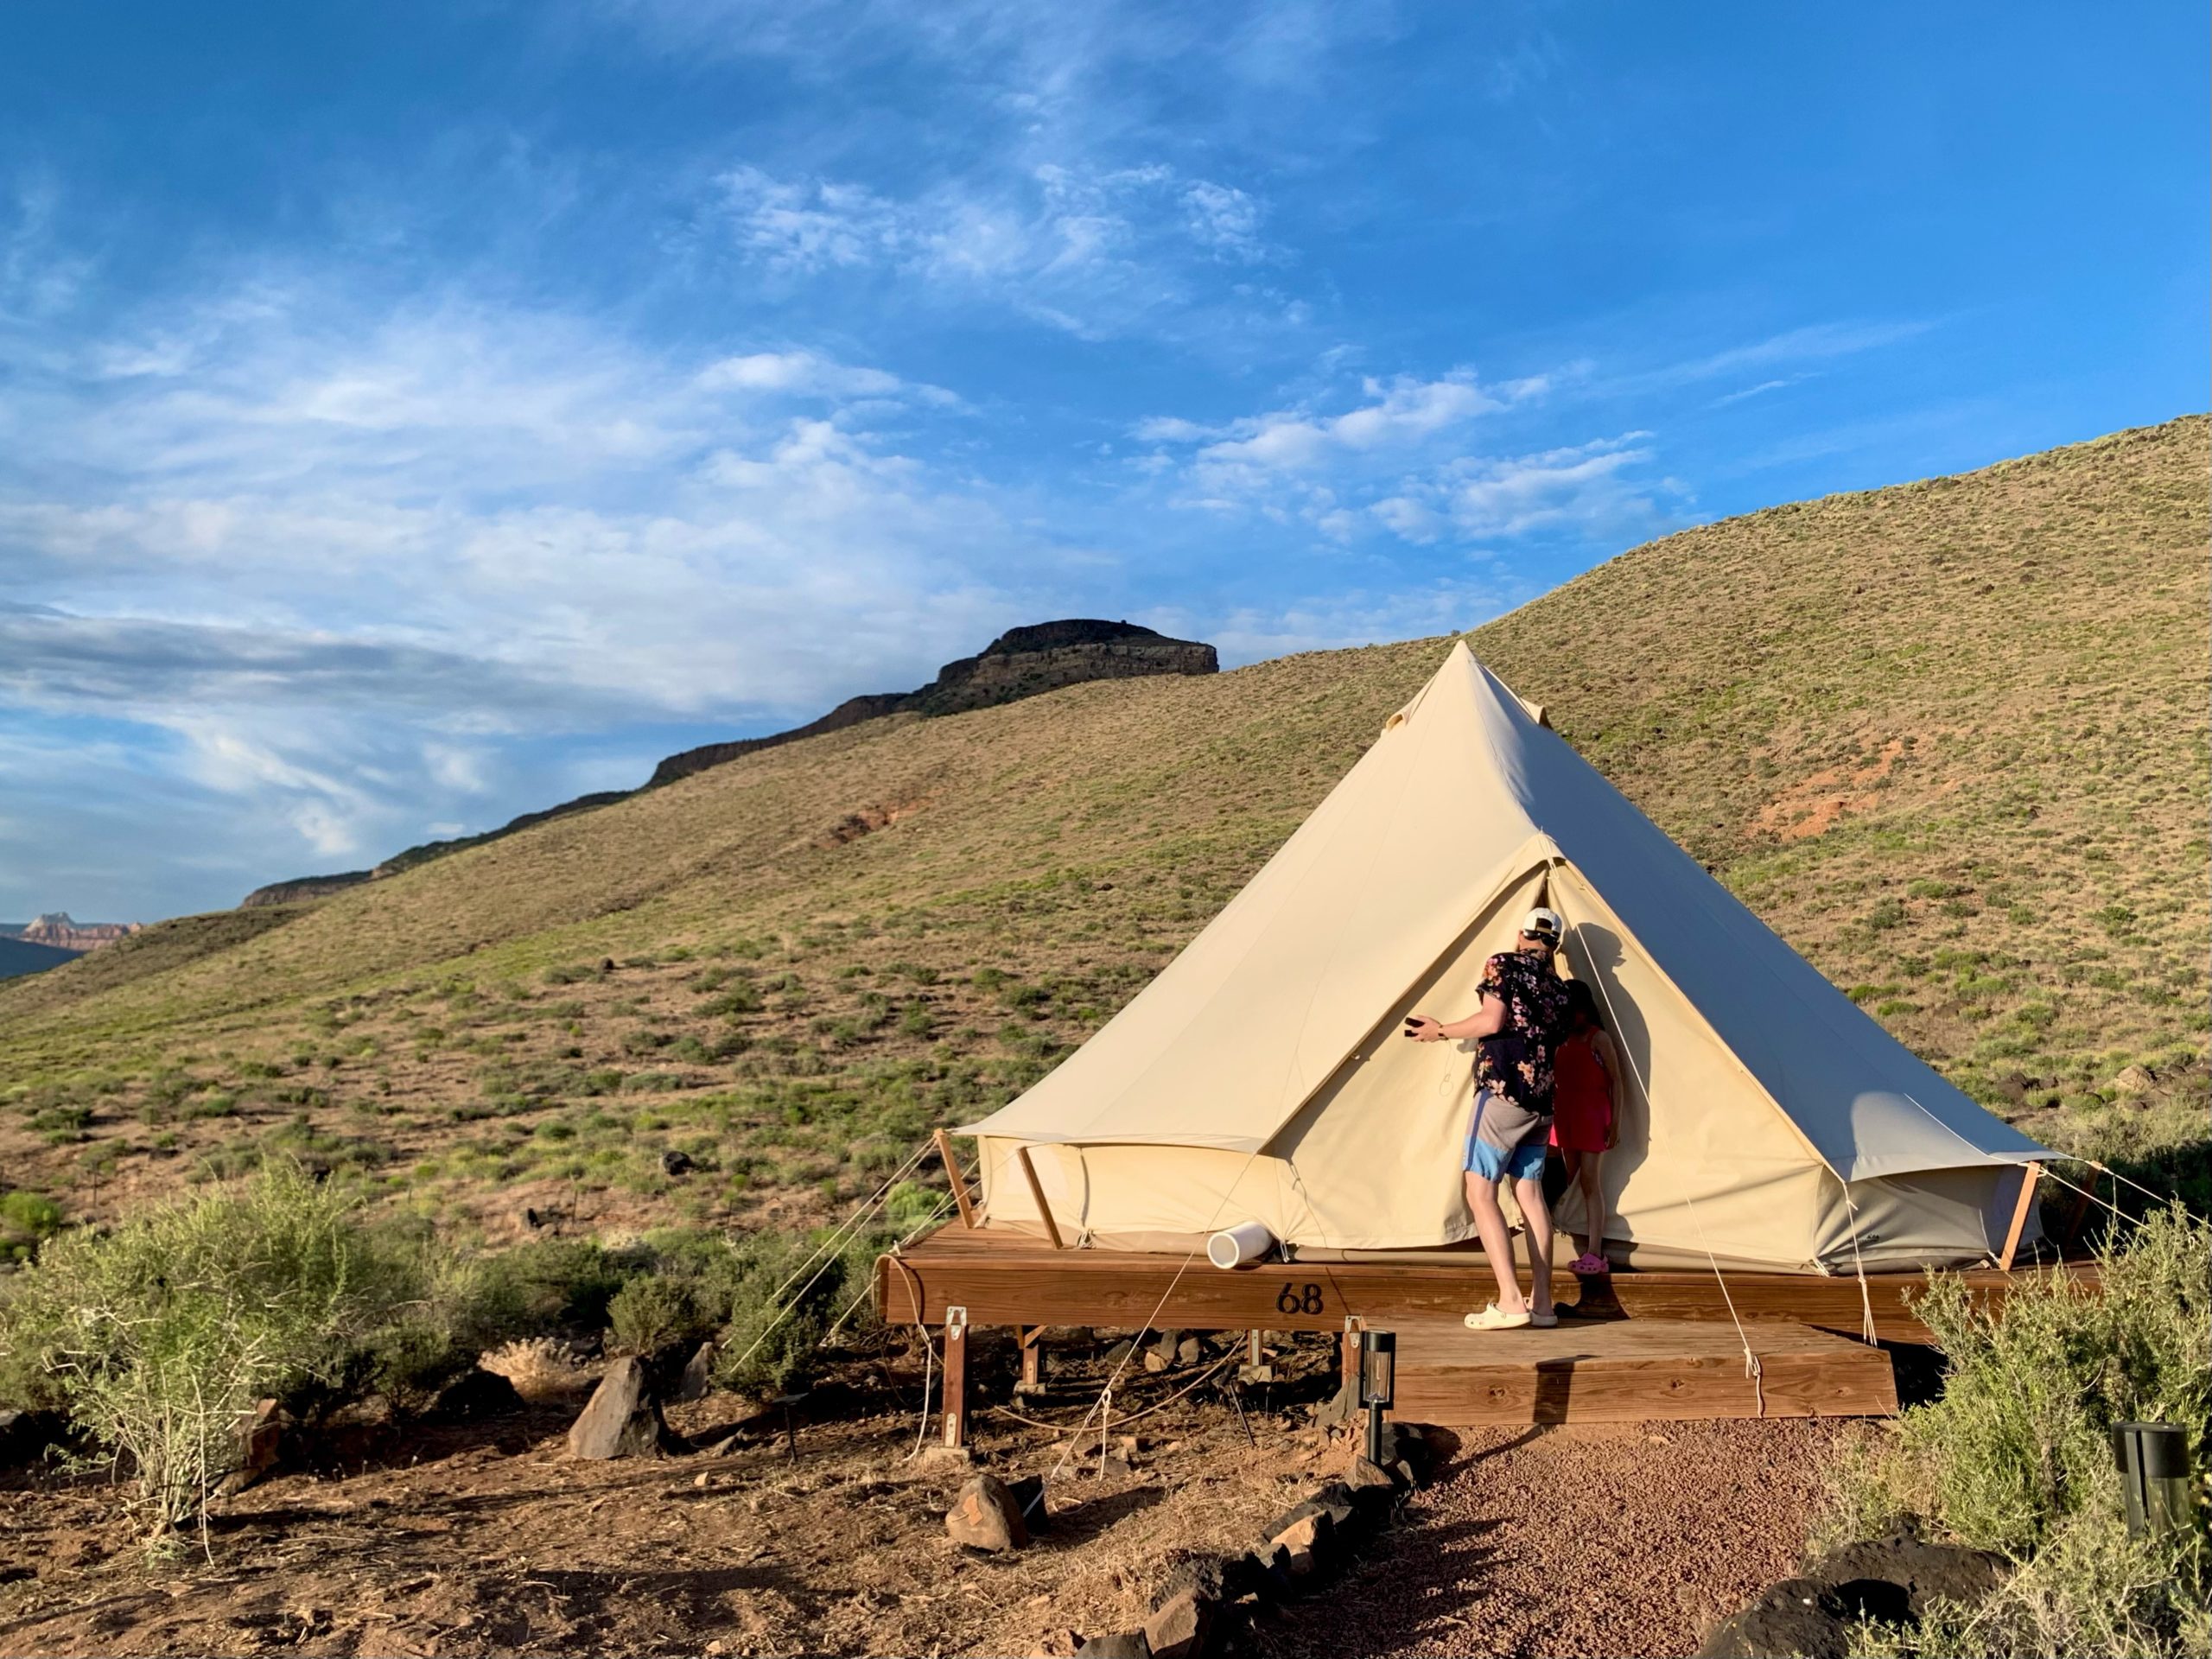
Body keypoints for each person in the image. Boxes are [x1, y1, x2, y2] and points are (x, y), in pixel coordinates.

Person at [1402, 906, 1573, 1331]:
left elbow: (1491, 1020)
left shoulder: (1504, 963)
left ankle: (1511, 1301)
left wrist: (1439, 1030)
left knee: (1480, 1191)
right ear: (1554, 944)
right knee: (1530, 1197)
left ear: (1521, 935)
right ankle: (1544, 1305)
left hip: (1502, 1091)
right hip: (1541, 1100)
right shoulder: (1560, 989)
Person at [1550, 978, 1624, 1275]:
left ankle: (1595, 1251)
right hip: (1566, 1114)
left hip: (1593, 1115)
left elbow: (1616, 1080)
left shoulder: (1598, 1038)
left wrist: (1615, 1122)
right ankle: (1564, 1233)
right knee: (1568, 1178)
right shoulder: (1561, 1037)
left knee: (1590, 1181)